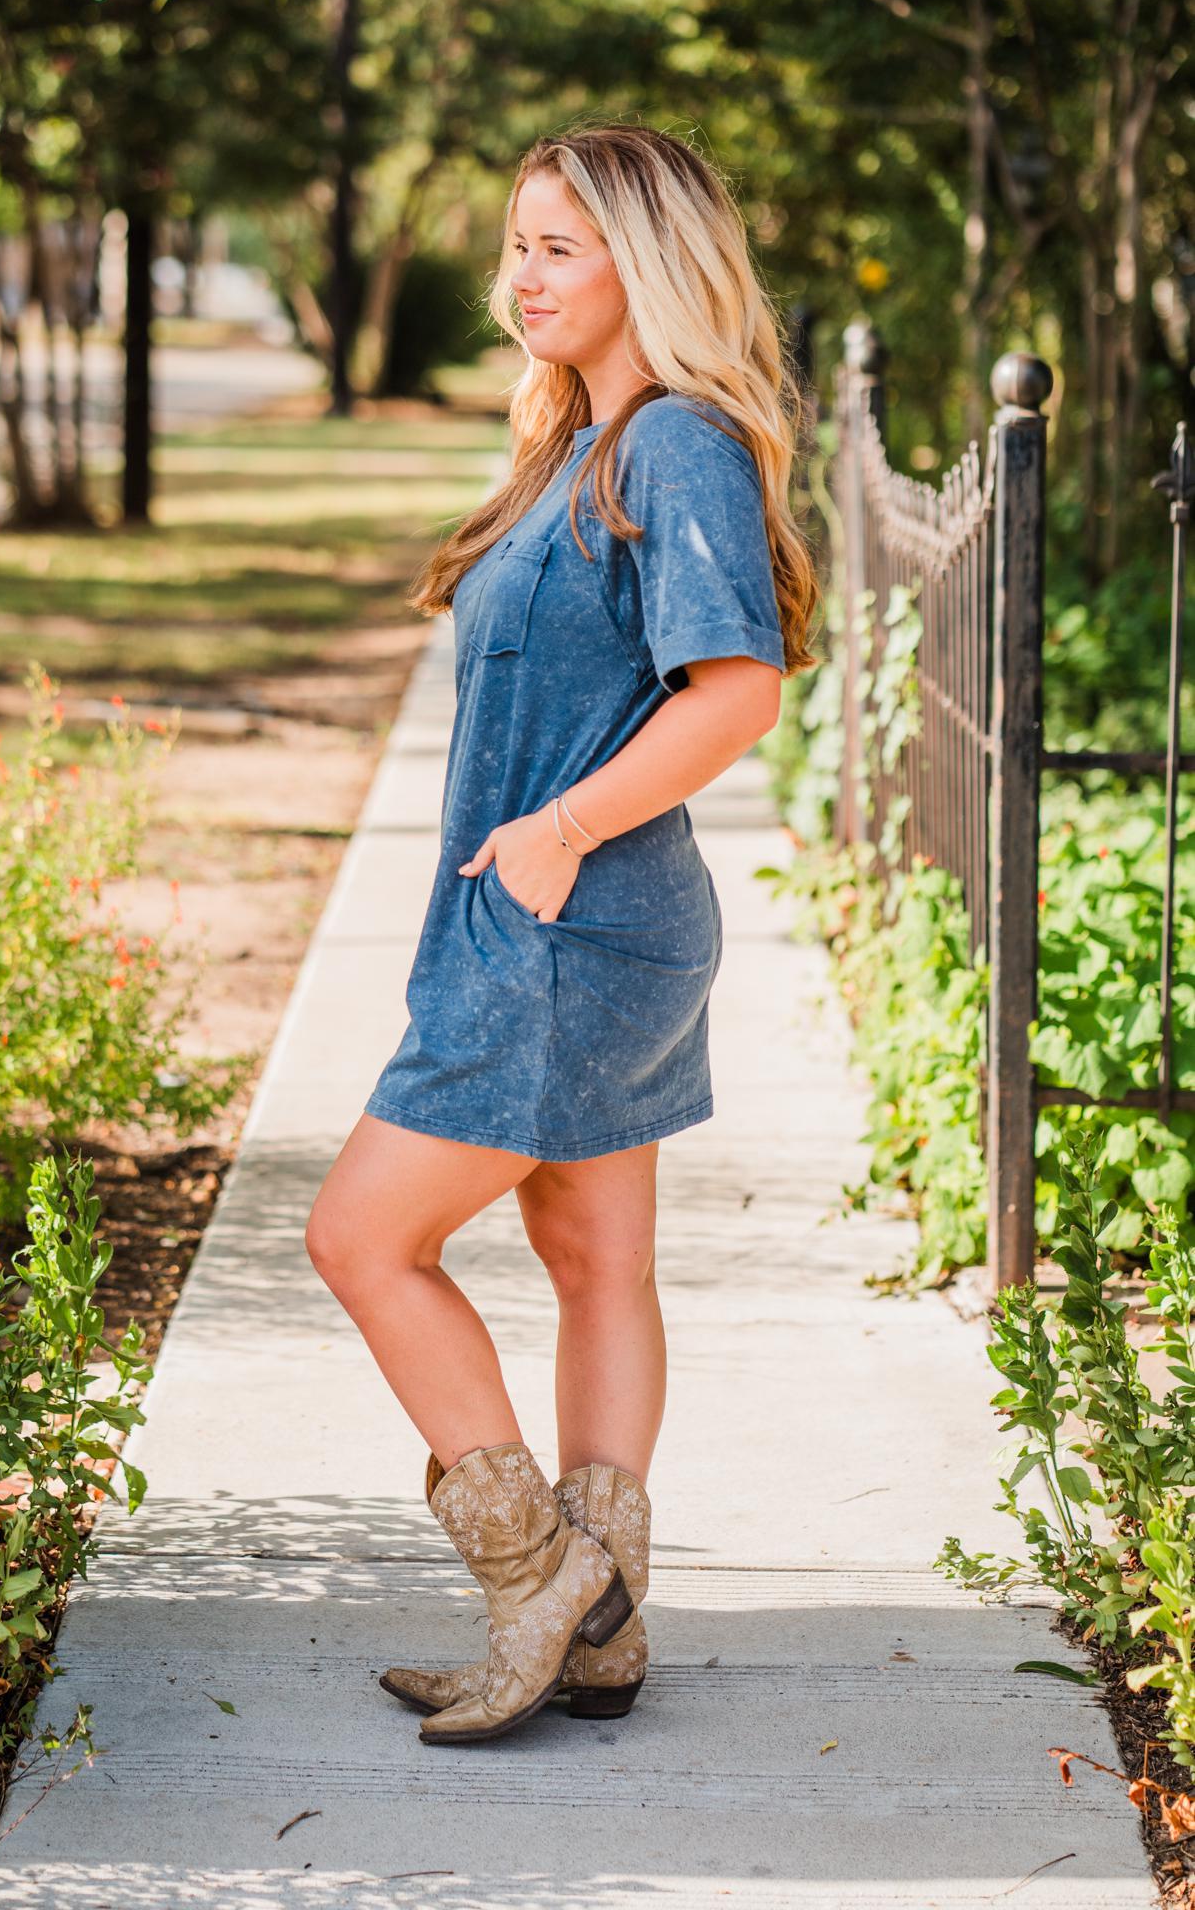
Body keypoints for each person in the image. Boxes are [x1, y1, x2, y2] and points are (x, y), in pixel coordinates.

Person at [305, 121, 822, 1746]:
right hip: (566, 922)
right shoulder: (575, 442)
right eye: (516, 243)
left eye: (557, 248)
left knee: (359, 1238)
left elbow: (735, 686)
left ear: (645, 266)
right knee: (595, 1261)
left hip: (569, 923)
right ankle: (600, 1627)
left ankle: (539, 1582)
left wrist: (557, 828)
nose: (517, 276)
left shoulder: (668, 442)